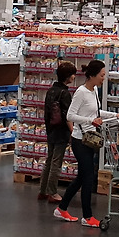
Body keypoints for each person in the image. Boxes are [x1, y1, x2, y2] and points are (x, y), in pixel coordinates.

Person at [56, 60, 117, 227]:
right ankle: (87, 217)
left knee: (82, 177)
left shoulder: (94, 90)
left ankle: (62, 208)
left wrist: (114, 115)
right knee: (88, 177)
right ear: (92, 75)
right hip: (79, 140)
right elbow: (70, 116)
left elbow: (96, 112)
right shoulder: (81, 92)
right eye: (102, 75)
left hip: (90, 139)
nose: (104, 78)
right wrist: (90, 120)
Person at [39, 61, 76, 203]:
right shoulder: (65, 93)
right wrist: (72, 130)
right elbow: (68, 115)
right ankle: (52, 193)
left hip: (50, 129)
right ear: (67, 76)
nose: (74, 77)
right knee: (56, 162)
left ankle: (43, 190)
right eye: (72, 74)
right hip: (61, 131)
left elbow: (47, 112)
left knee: (49, 160)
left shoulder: (51, 90)